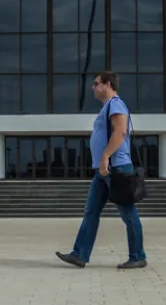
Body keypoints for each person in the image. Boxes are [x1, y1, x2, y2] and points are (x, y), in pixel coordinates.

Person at [56, 71, 147, 269]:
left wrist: (105, 156)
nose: (92, 87)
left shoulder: (116, 104)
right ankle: (79, 254)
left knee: (128, 213)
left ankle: (138, 256)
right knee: (91, 211)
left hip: (117, 168)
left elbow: (120, 131)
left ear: (107, 84)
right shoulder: (107, 107)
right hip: (104, 171)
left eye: (95, 83)